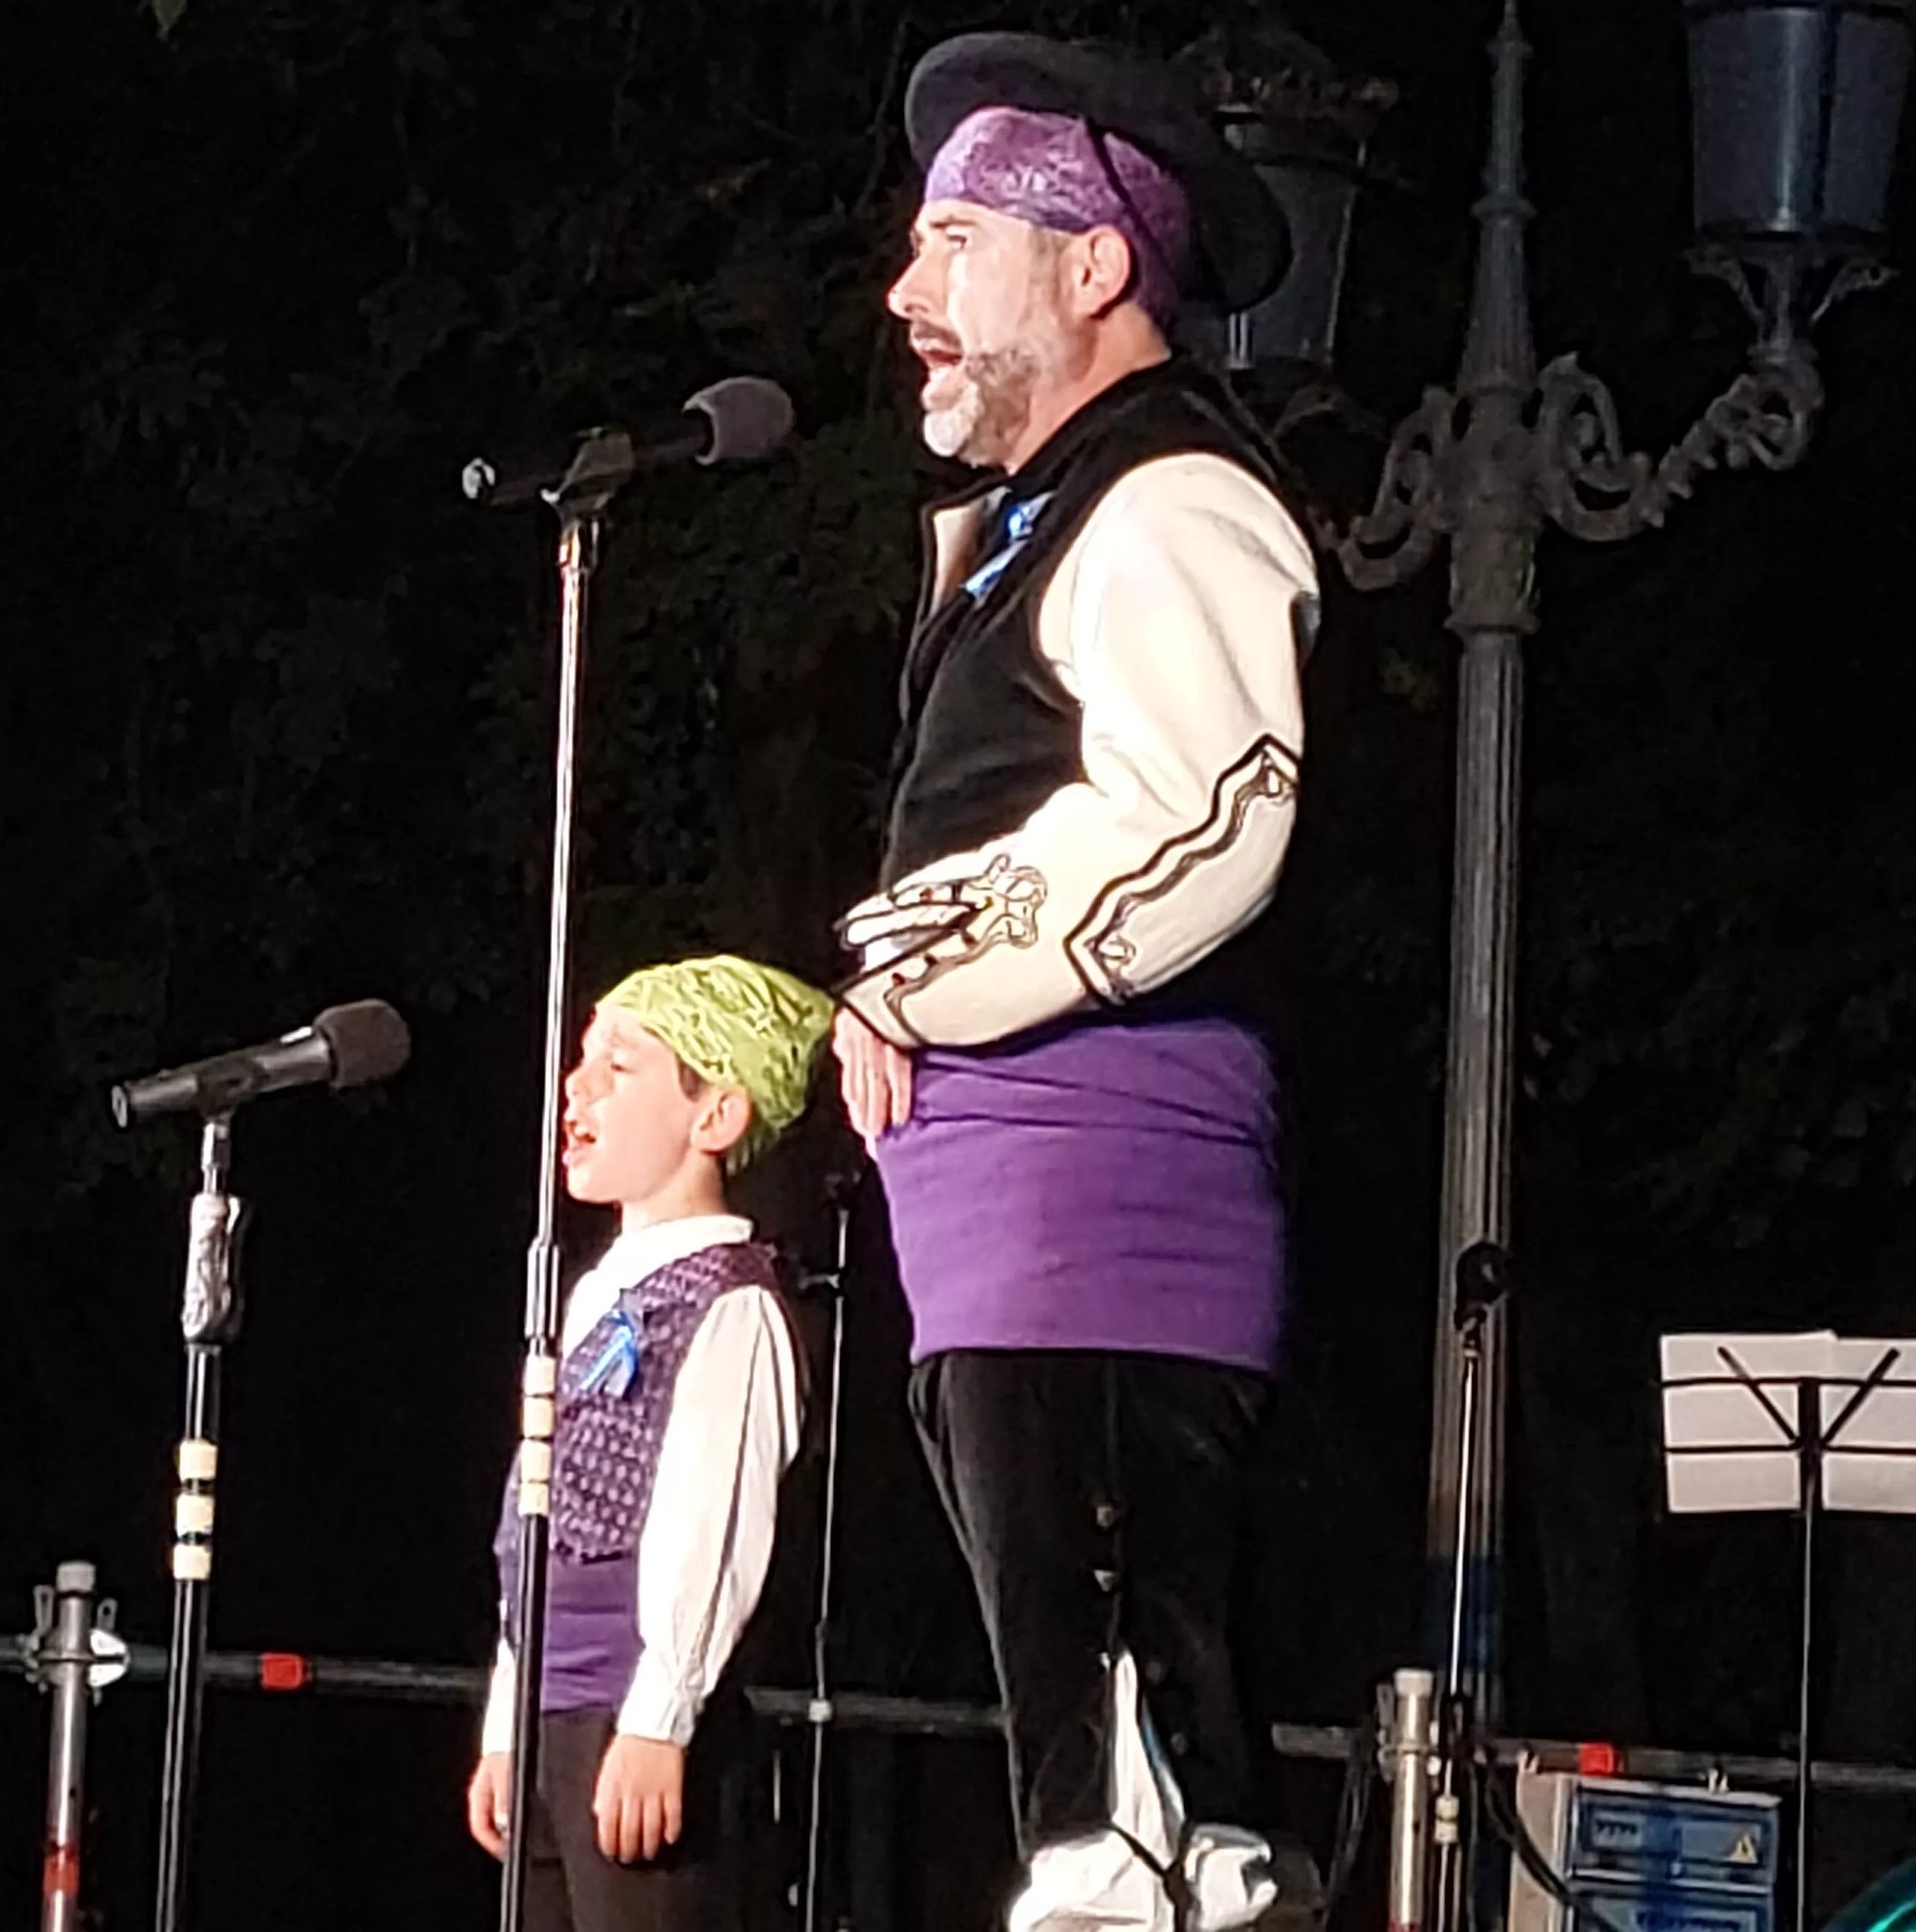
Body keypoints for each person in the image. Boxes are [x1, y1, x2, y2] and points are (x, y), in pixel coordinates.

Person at [827, 31, 1324, 1932]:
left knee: (1126, 1704)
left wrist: (912, 969)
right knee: (1067, 1658)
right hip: (1001, 1185)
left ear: (1094, 262)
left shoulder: (1171, 496)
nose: (908, 292)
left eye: (957, 241)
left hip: (1097, 1168)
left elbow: (1204, 816)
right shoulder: (1033, 517)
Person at [467, 954, 836, 1932]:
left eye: (620, 1067)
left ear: (715, 1116)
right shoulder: (594, 1296)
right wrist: (509, 1717)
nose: (576, 1089)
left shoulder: (732, 1303)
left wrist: (660, 1717)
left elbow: (711, 1528)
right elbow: (537, 1527)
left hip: (630, 1719)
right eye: (582, 1060)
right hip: (552, 1716)